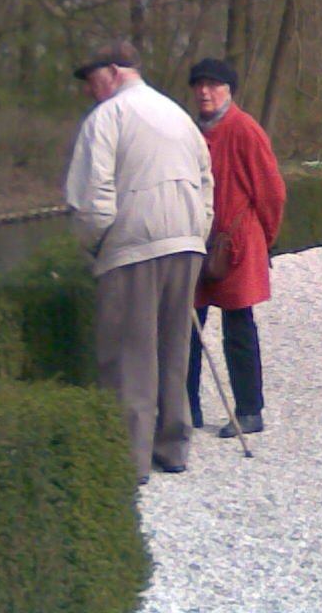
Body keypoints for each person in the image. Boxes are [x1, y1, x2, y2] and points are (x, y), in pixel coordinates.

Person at [65, 41, 213, 484]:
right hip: (186, 241)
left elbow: (93, 199)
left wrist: (94, 247)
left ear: (113, 72)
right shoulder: (178, 115)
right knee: (173, 348)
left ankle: (130, 458)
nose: (89, 89)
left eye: (92, 79)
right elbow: (207, 182)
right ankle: (173, 446)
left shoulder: (107, 117)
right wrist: (197, 230)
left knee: (130, 355)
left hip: (132, 245)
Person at [185, 58, 286, 438]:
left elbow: (272, 192)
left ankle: (249, 410)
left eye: (213, 85)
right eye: (199, 85)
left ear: (228, 90)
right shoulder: (189, 130)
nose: (205, 92)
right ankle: (185, 408)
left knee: (238, 326)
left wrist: (264, 240)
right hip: (197, 240)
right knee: (187, 327)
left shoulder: (244, 129)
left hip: (236, 242)